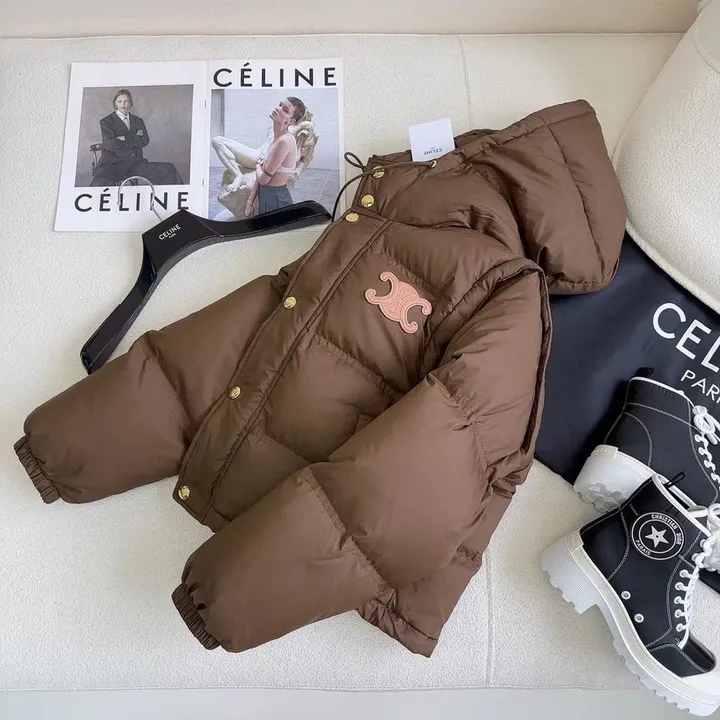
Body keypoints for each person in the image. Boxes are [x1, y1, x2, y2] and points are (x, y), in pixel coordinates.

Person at [211, 96, 306, 216]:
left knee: (273, 228)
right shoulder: (276, 138)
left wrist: (257, 167)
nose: (278, 108)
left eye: (285, 110)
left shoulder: (284, 141)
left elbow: (263, 179)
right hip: (266, 196)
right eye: (280, 104)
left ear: (291, 121)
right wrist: (249, 202)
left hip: (276, 199)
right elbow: (261, 178)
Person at [90, 89, 184, 187]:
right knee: (100, 180)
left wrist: (123, 138)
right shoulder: (106, 122)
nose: (123, 104)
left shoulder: (138, 121)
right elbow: (110, 144)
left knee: (168, 170)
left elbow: (144, 140)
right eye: (120, 101)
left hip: (135, 164)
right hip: (113, 165)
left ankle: (176, 196)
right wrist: (135, 137)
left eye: (126, 101)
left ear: (130, 103)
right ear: (115, 103)